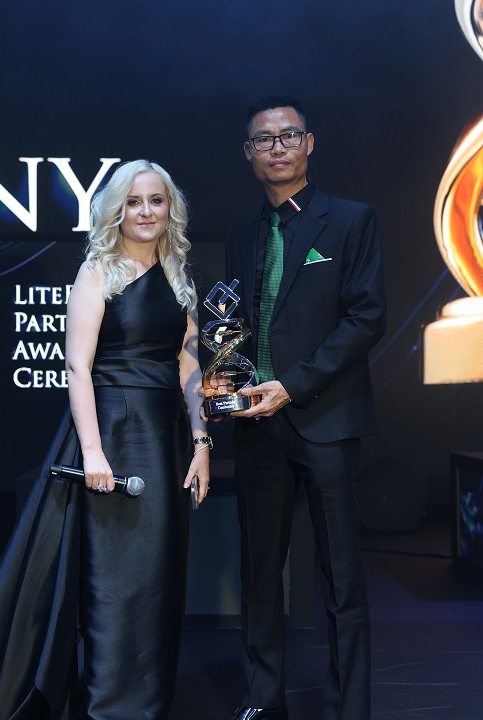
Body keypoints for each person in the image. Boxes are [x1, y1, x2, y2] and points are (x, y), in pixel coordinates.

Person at [0, 159, 211, 720]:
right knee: (113, 578)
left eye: (156, 201)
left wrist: (202, 441)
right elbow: (78, 368)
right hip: (111, 434)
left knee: (158, 578)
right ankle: (108, 707)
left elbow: (188, 364)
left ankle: (146, 705)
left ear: (171, 208)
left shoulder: (180, 274)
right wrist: (91, 452)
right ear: (117, 210)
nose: (145, 212)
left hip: (166, 440)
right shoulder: (97, 270)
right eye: (133, 202)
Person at [219, 95, 386, 720]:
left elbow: (365, 318)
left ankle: (349, 710)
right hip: (256, 426)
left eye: (289, 136)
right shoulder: (242, 232)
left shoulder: (351, 220)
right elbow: (233, 322)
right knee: (260, 576)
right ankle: (262, 703)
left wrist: (289, 386)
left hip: (326, 420)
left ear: (309, 144)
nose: (277, 147)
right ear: (249, 153)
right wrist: (224, 379)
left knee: (341, 580)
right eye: (264, 139)